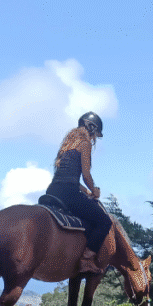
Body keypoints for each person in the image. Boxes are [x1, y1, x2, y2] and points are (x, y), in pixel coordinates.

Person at [45, 111, 112, 274]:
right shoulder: (85, 143)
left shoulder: (67, 145)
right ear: (91, 128)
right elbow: (86, 174)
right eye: (95, 133)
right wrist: (94, 190)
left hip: (53, 190)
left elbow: (69, 176)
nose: (95, 138)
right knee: (104, 222)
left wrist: (86, 191)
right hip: (69, 194)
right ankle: (86, 259)